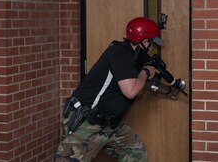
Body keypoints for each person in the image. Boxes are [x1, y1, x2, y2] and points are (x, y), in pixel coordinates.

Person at [55, 17, 181, 162]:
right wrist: (145, 71)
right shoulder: (120, 53)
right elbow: (131, 91)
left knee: (136, 153)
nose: (152, 47)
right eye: (151, 43)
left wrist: (168, 90)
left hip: (109, 124)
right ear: (143, 41)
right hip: (88, 121)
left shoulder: (133, 58)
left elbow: (140, 83)